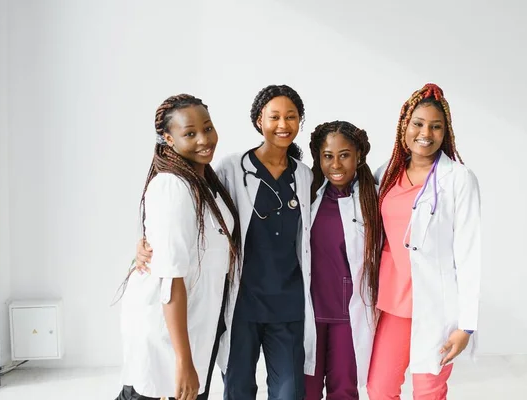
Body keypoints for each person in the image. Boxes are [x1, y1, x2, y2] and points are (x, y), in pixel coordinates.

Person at [136, 84, 315, 399]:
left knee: (289, 393)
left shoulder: (304, 176)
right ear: (259, 120)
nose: (283, 125)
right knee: (238, 391)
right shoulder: (231, 169)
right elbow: (188, 215)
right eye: (274, 116)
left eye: (291, 117)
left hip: (288, 307)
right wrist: (144, 243)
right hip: (242, 304)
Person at [116, 94, 241, 400]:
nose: (204, 139)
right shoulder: (173, 186)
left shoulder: (205, 182)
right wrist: (183, 360)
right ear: (169, 140)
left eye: (208, 128)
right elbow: (171, 279)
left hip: (196, 325)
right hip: (167, 332)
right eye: (190, 134)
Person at [367, 83, 481, 400]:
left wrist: (466, 326)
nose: (425, 133)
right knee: (379, 389)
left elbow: (470, 252)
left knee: (428, 392)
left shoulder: (458, 178)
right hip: (392, 304)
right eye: (418, 123)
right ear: (405, 125)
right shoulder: (385, 174)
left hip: (437, 304)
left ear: (446, 132)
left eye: (435, 126)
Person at [304, 121, 382, 399]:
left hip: (349, 314)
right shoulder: (307, 195)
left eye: (344, 155)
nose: (336, 164)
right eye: (327, 156)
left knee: (345, 390)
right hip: (309, 311)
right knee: (306, 391)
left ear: (359, 155)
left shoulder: (373, 197)